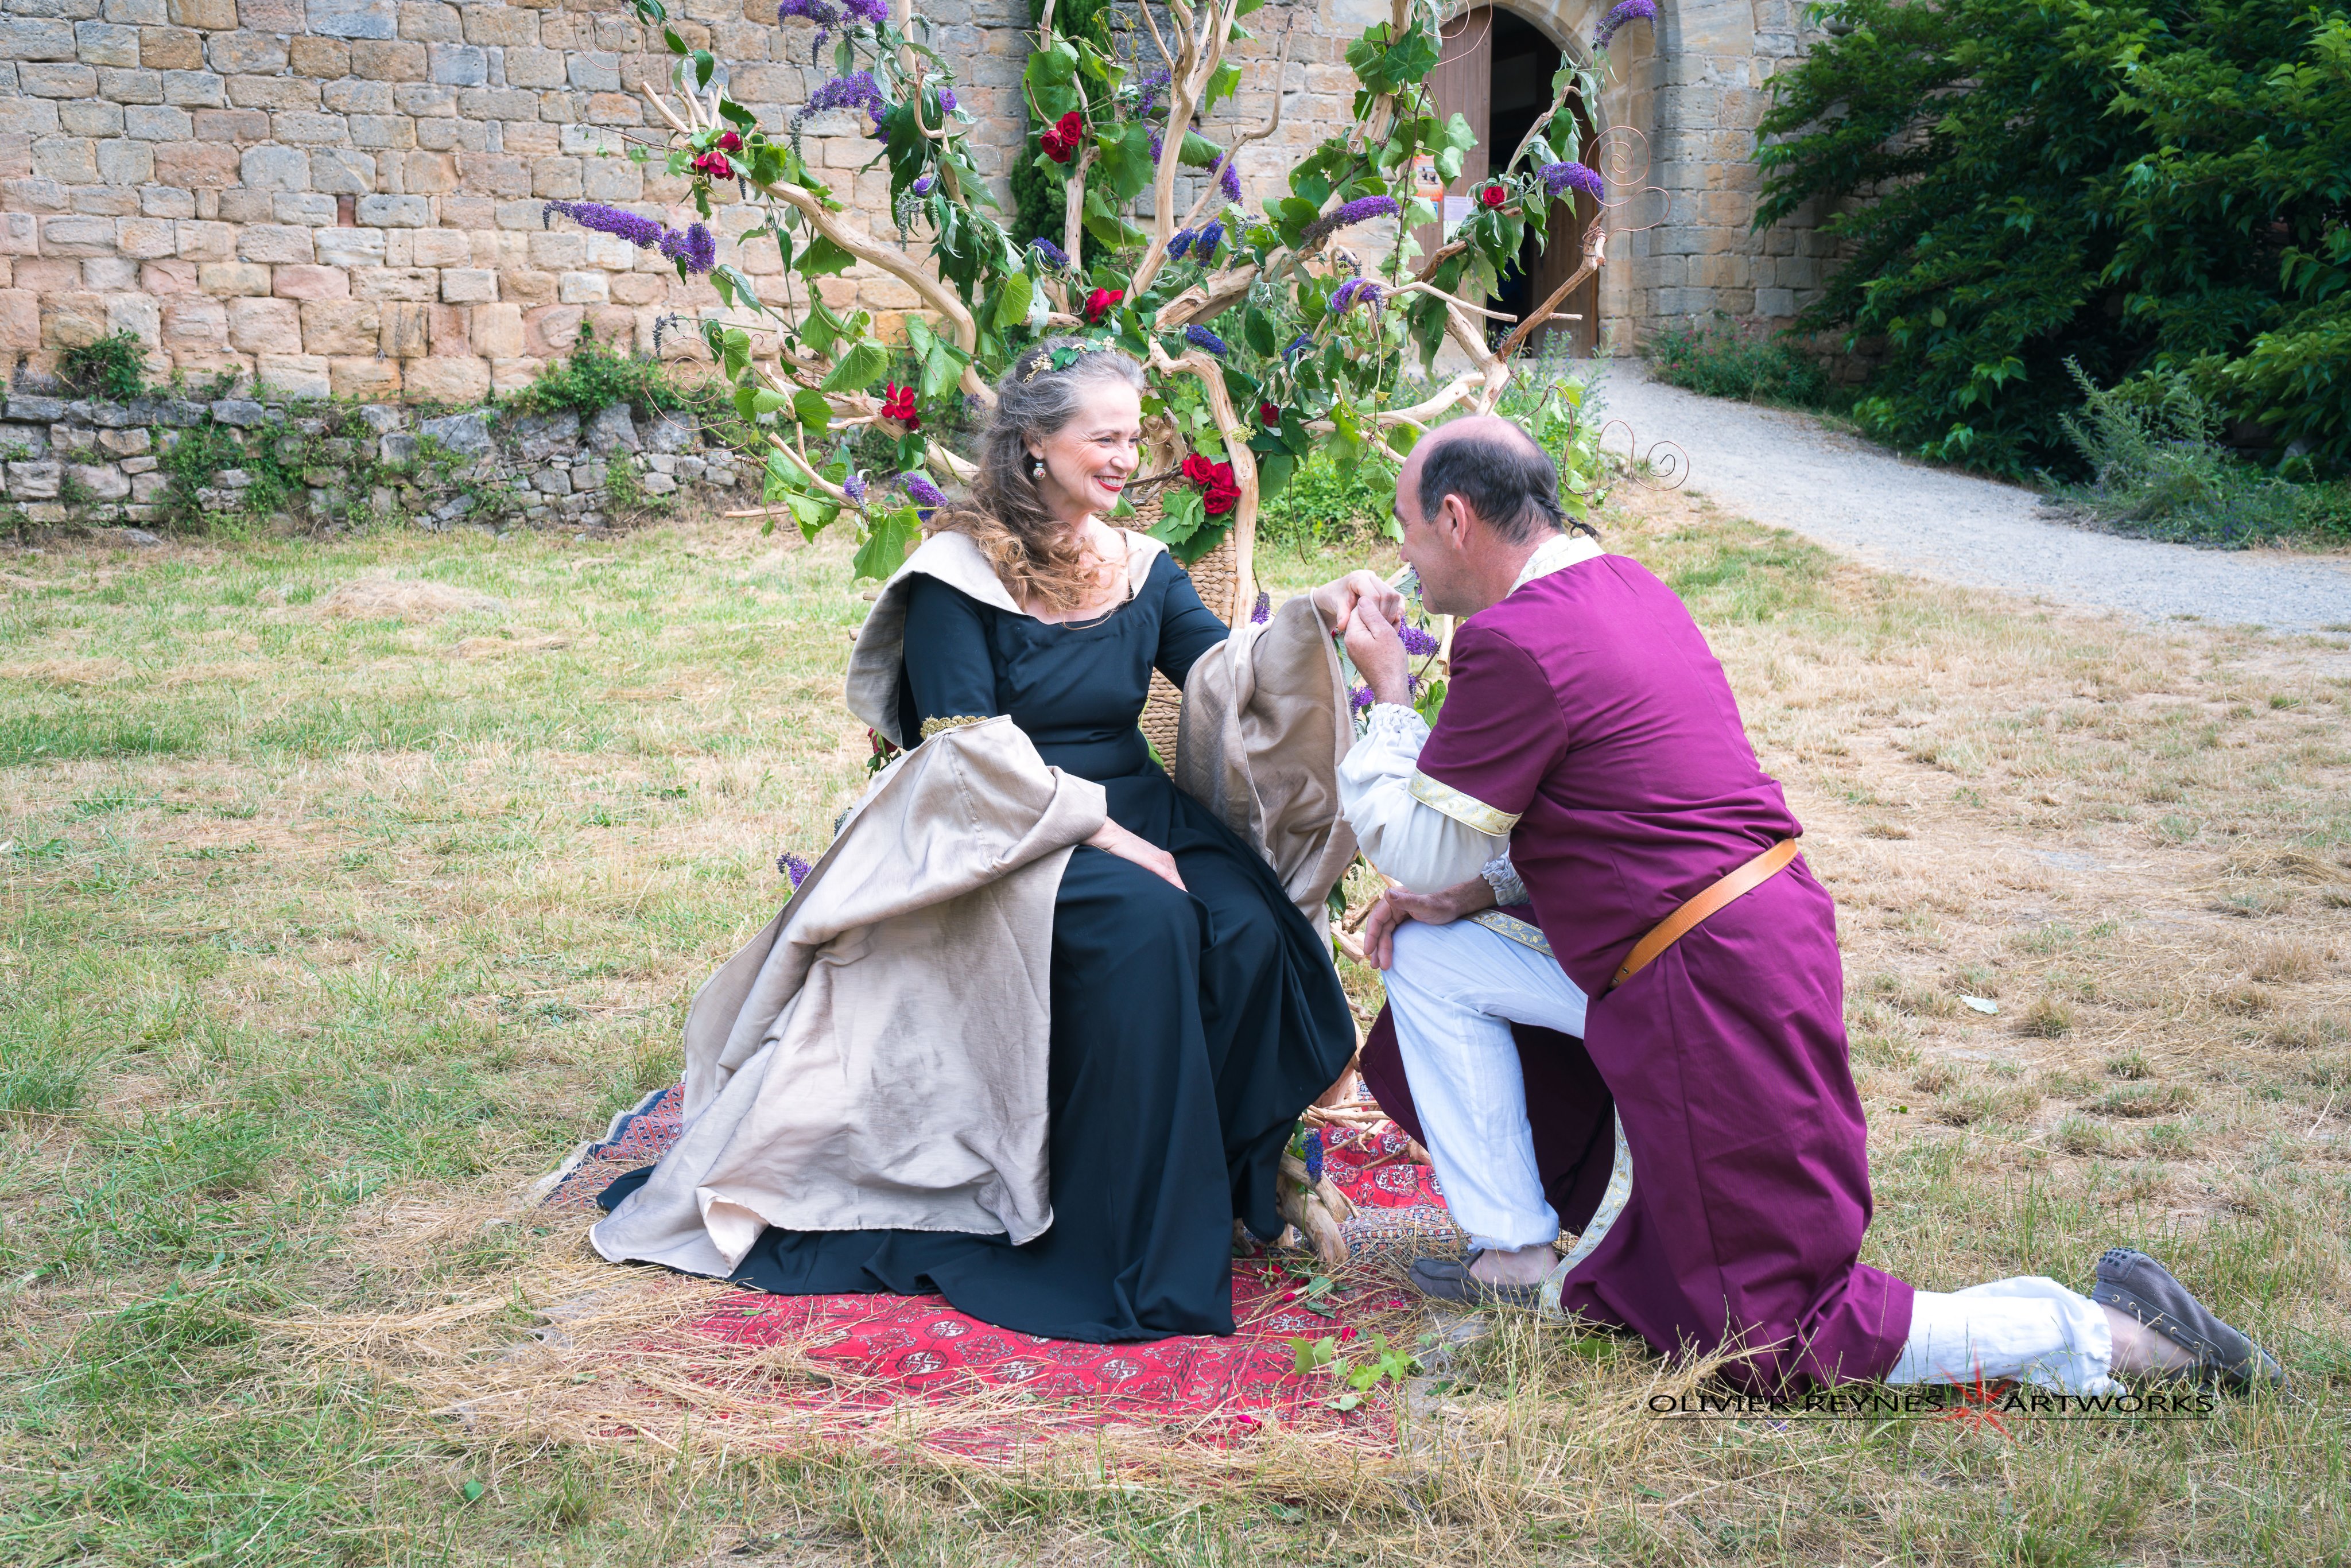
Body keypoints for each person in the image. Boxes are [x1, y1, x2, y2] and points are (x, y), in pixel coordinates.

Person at [1332, 414, 2284, 1394]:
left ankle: (2121, 1340)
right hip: (1716, 941)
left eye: (1404, 527)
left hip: (1705, 983)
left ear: (1455, 519)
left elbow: (1416, 838)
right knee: (1434, 957)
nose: (1401, 558)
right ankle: (1515, 1260)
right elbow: (1628, 809)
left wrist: (1391, 691)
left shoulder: (1517, 641)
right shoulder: (1623, 588)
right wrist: (1478, 893)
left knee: (1774, 1330)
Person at [591, 340, 1394, 1342]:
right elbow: (963, 754)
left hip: (1135, 809)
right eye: (1102, 436)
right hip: (1006, 837)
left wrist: (1314, 618)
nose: (1124, 454)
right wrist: (1100, 833)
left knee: (1245, 926)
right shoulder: (951, 577)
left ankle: (1220, 1188)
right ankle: (1121, 1245)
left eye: (1131, 434)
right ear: (1032, 447)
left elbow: (1226, 676)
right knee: (1149, 925)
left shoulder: (1139, 565)